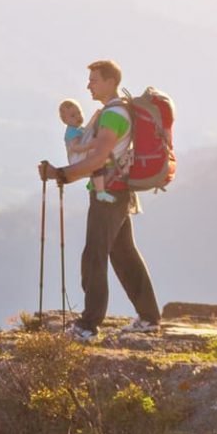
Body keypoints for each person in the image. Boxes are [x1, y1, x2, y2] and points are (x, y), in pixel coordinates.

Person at [38, 60, 162, 338]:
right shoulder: (115, 111)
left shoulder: (112, 115)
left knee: (94, 257)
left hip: (108, 195)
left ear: (109, 81)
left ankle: (88, 326)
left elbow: (99, 158)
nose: (88, 85)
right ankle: (149, 317)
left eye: (94, 80)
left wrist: (61, 174)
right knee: (124, 255)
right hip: (116, 192)